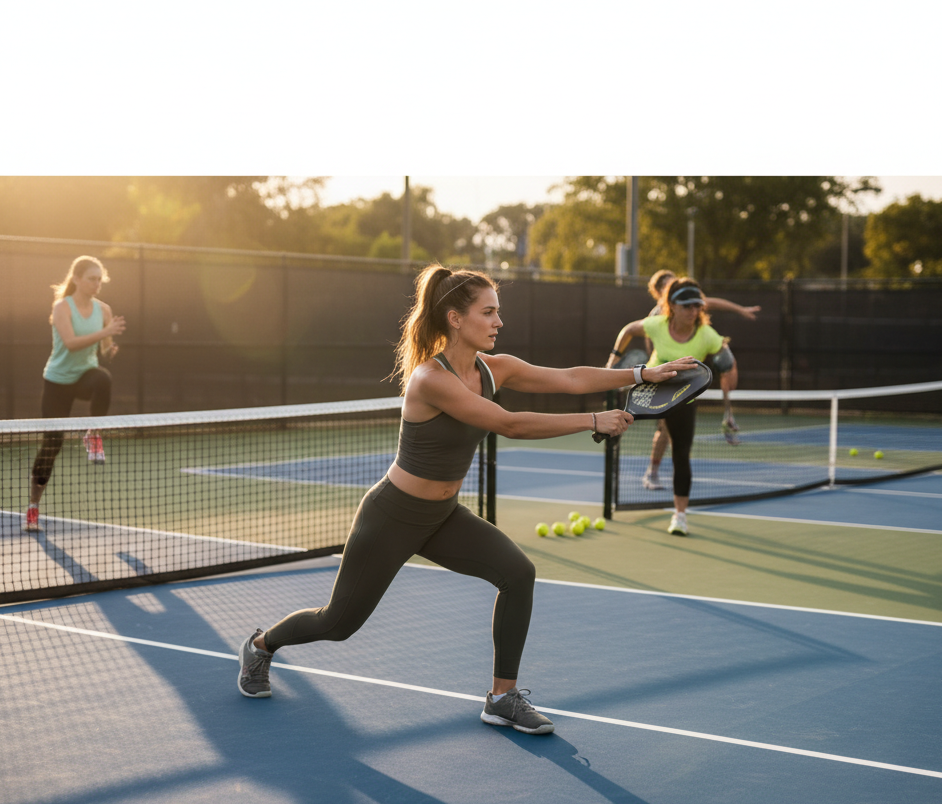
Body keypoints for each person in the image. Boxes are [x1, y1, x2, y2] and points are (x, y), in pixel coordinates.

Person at [236, 264, 696, 734]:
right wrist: (593, 422)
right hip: (392, 516)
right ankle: (261, 645)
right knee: (338, 622)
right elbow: (510, 424)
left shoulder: (495, 368)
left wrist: (644, 371)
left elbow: (571, 378)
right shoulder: (429, 380)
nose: (499, 322)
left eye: (499, 313)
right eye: (489, 312)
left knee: (518, 573)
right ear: (456, 318)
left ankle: (501, 697)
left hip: (443, 516)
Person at [615, 269, 761, 488]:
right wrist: (637, 368)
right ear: (661, 294)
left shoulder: (691, 305)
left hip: (685, 385)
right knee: (665, 430)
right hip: (659, 382)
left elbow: (713, 303)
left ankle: (662, 471)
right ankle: (653, 472)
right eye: (666, 284)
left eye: (672, 281)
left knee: (673, 436)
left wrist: (740, 310)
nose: (672, 284)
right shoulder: (657, 317)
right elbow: (642, 337)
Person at [605, 277, 725, 536]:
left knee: (681, 454)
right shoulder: (657, 325)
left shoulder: (706, 335)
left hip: (683, 400)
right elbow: (627, 330)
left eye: (697, 306)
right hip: (651, 390)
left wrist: (728, 398)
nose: (694, 312)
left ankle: (680, 516)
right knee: (617, 423)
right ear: (672, 306)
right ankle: (612, 436)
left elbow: (726, 356)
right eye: (687, 306)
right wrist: (612, 360)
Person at [24, 256, 125, 532]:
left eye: (99, 279)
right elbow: (70, 344)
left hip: (85, 376)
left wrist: (109, 350)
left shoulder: (103, 310)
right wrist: (105, 332)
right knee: (52, 444)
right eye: (92, 278)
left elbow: (102, 350)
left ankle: (93, 434)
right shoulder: (61, 308)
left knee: (103, 378)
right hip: (57, 381)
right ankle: (33, 507)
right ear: (77, 279)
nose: (97, 284)